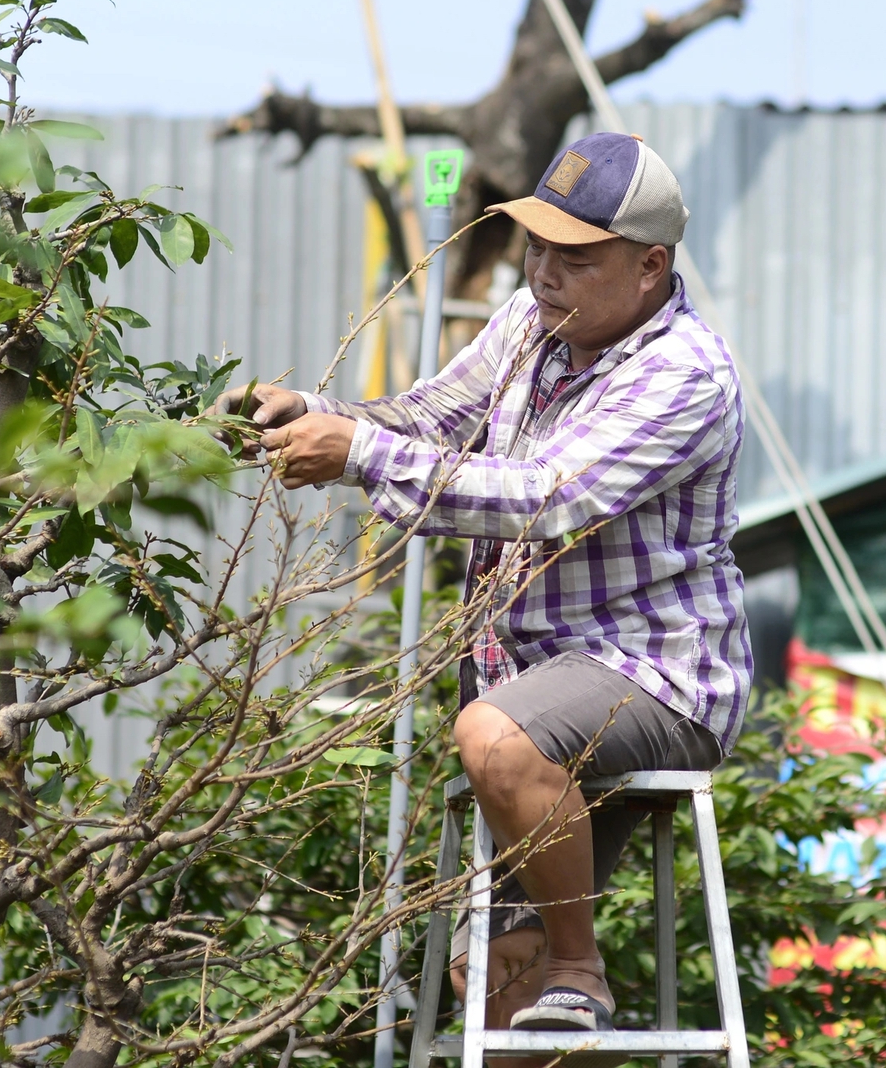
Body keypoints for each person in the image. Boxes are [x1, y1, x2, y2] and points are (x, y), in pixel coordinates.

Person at [212, 132, 749, 1034]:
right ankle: (557, 983)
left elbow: (542, 499)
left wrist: (357, 457)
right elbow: (426, 418)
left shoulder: (684, 375)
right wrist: (316, 411)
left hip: (653, 675)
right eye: (537, 245)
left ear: (651, 266)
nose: (544, 272)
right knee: (498, 998)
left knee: (494, 741)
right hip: (527, 685)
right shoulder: (530, 322)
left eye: (574, 257)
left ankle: (583, 966)